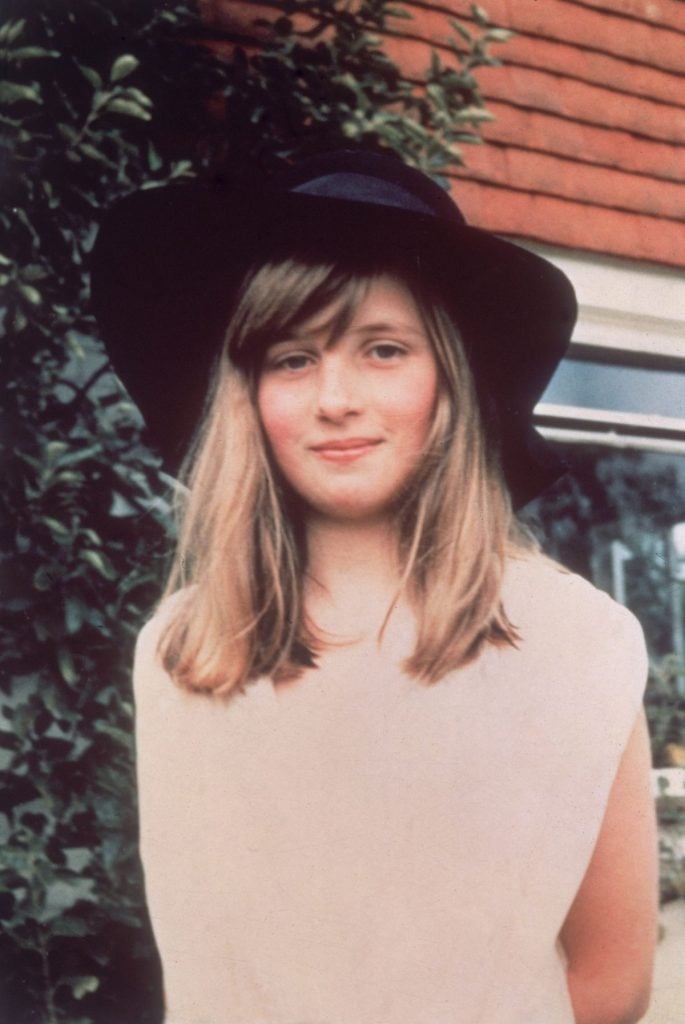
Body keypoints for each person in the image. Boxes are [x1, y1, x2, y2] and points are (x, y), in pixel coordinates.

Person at [91, 150, 658, 1024]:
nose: (335, 398)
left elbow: (611, 982)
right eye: (291, 358)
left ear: (449, 378)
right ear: (248, 394)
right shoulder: (186, 646)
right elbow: (200, 974)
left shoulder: (576, 640)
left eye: (383, 350)